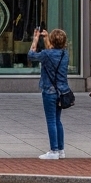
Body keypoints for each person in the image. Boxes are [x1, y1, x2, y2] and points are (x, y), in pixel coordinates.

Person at [29, 27, 70, 160]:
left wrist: (35, 40)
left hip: (49, 91)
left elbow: (31, 56)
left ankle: (54, 150)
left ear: (52, 41)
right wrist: (47, 39)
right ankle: (61, 149)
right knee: (58, 120)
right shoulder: (65, 54)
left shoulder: (46, 54)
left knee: (51, 120)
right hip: (62, 91)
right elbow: (52, 54)